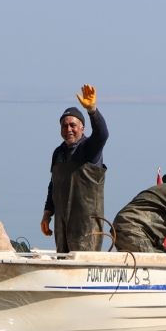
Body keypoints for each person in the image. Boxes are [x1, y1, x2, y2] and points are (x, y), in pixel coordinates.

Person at [40, 84, 110, 253]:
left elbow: (102, 134)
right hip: (62, 222)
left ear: (82, 128)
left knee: (84, 258)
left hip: (87, 223)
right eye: (64, 126)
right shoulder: (58, 152)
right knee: (63, 258)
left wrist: (92, 110)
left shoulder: (89, 148)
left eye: (73, 125)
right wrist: (47, 214)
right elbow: (53, 185)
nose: (68, 129)